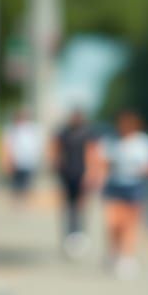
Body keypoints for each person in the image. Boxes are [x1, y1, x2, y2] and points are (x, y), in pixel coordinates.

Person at [94, 109, 148, 278]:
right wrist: (98, 178)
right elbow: (101, 162)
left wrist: (146, 170)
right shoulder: (111, 141)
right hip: (114, 185)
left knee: (129, 224)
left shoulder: (144, 142)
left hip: (134, 186)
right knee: (113, 223)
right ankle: (113, 252)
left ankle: (127, 257)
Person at [50, 108, 95, 258]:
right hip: (67, 174)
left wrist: (90, 173)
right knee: (68, 207)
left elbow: (92, 152)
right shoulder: (64, 133)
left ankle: (80, 234)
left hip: (82, 174)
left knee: (81, 206)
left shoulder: (87, 133)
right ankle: (69, 236)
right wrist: (55, 164)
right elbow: (55, 148)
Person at [0, 106, 43, 201]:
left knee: (27, 185)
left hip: (28, 162)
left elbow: (36, 146)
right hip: (15, 161)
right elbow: (6, 146)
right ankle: (18, 203)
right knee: (16, 185)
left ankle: (24, 202)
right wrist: (6, 161)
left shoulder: (32, 129)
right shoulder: (11, 129)